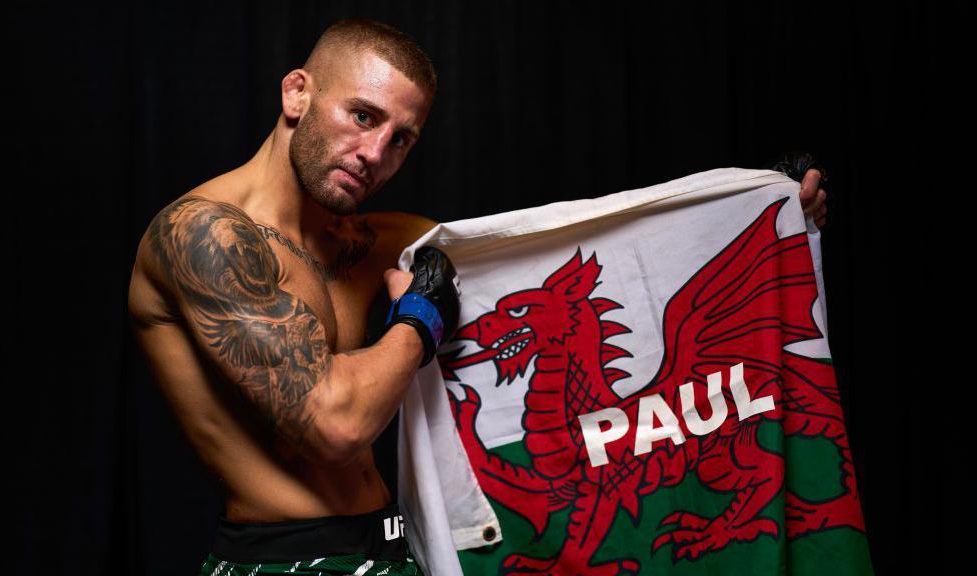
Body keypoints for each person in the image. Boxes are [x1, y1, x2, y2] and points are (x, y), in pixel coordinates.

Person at [128, 18, 829, 575]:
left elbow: (556, 242)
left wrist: (751, 209)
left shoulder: (366, 238)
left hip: (397, 546)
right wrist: (421, 318)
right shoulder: (206, 234)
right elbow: (335, 425)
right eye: (362, 117)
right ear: (297, 93)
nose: (376, 154)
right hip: (284, 562)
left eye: (401, 139)